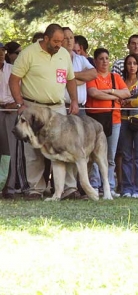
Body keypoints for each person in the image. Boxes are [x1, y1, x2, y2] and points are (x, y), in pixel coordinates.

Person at [9, 23, 79, 200]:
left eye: (61, 41)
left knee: (64, 146)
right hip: (32, 107)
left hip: (57, 107)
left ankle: (69, 188)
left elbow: (70, 80)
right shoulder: (28, 53)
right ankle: (35, 188)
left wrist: (75, 101)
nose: (59, 44)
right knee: (33, 149)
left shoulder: (64, 54)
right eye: (56, 41)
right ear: (46, 38)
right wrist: (20, 104)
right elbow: (14, 80)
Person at [86, 48, 130, 197]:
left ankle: (109, 187)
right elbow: (93, 93)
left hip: (113, 118)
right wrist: (115, 96)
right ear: (95, 60)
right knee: (94, 154)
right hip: (94, 119)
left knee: (110, 155)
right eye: (101, 58)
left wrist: (110, 91)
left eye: (106, 58)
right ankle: (95, 185)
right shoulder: (92, 75)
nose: (104, 61)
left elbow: (126, 93)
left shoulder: (115, 77)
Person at [118, 54, 138, 198]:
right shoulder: (121, 81)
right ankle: (126, 188)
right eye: (129, 63)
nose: (132, 66)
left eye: (134, 63)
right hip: (123, 120)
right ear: (125, 66)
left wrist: (126, 102)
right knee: (126, 156)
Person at [62, 27, 97, 117]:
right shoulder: (56, 59)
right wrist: (83, 78)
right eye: (66, 38)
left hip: (80, 108)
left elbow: (93, 74)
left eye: (71, 38)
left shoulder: (80, 58)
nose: (69, 41)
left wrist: (71, 76)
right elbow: (60, 80)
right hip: (63, 108)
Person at [0, 43, 19, 199]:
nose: (1, 54)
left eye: (2, 51)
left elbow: (22, 90)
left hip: (11, 111)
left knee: (9, 151)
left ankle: (10, 187)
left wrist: (15, 104)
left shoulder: (12, 69)